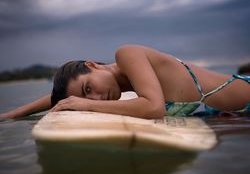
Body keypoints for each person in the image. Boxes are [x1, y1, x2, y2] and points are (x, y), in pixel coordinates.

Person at [0, 45, 250, 120]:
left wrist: (85, 105)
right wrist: (13, 114)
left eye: (89, 88)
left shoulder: (126, 54)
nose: (97, 99)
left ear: (93, 64)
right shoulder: (125, 83)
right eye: (88, 98)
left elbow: (154, 108)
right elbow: (65, 97)